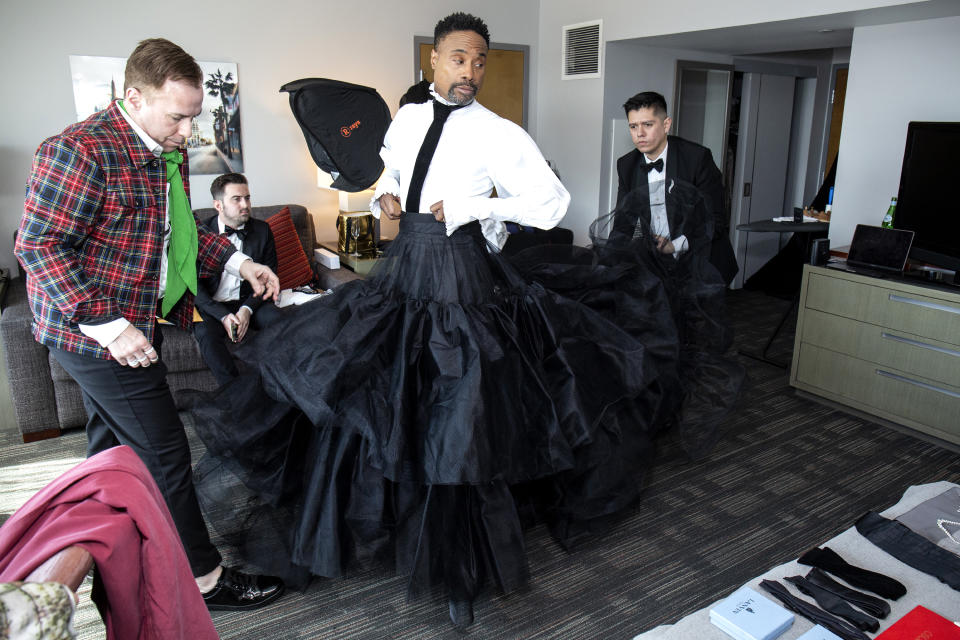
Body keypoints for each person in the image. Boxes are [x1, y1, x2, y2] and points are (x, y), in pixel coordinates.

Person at [187, 12, 676, 629]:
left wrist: (476, 204)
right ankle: (386, 525)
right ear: (433, 63)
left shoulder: (499, 132)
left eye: (479, 61)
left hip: (463, 274)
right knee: (389, 398)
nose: (470, 70)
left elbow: (553, 202)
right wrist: (384, 195)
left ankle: (459, 570)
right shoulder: (409, 119)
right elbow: (390, 174)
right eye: (458, 58)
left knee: (459, 413)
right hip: (405, 269)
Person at [16, 38, 284, 611]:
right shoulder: (80, 150)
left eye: (194, 117)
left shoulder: (166, 148)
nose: (188, 131)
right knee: (165, 453)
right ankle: (204, 579)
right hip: (94, 334)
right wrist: (109, 325)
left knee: (108, 452)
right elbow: (38, 245)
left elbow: (177, 234)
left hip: (137, 319)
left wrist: (241, 261)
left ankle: (103, 556)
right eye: (178, 116)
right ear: (133, 98)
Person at [615, 91, 739, 283]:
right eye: (633, 126)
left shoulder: (697, 158)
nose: (639, 133)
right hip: (654, 264)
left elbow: (715, 221)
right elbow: (624, 220)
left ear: (666, 125)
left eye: (647, 124)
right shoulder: (626, 165)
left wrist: (674, 246)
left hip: (700, 260)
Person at [194, 173, 284, 385]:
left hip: (250, 301)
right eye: (237, 199)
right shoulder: (201, 234)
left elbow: (269, 275)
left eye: (247, 198)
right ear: (218, 205)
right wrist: (223, 316)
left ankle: (279, 384)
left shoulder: (262, 230)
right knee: (205, 333)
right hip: (213, 305)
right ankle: (235, 393)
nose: (245, 204)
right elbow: (193, 286)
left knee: (279, 322)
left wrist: (246, 310)